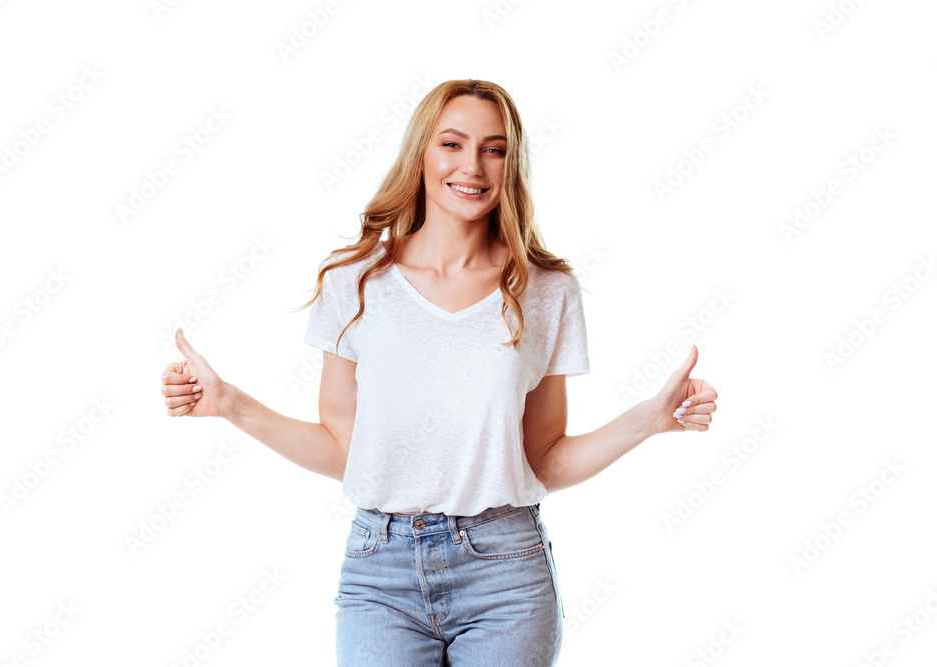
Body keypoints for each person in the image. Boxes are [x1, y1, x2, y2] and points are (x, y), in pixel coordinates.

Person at [159, 79, 718, 666]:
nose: (472, 165)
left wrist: (650, 420)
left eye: (494, 148)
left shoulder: (547, 290)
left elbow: (543, 458)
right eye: (452, 143)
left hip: (505, 575)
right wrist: (227, 403)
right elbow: (342, 446)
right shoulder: (355, 282)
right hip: (381, 574)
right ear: (421, 154)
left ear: (512, 164)